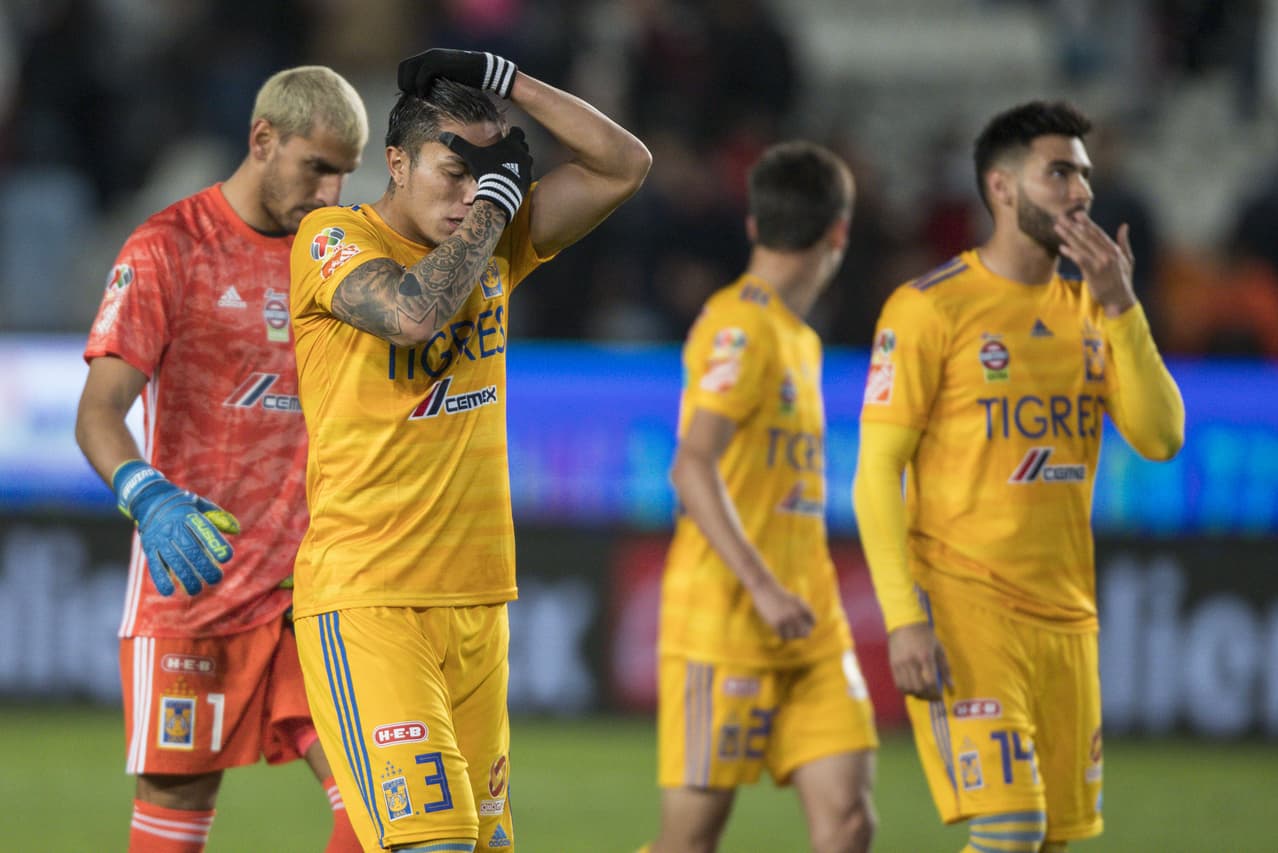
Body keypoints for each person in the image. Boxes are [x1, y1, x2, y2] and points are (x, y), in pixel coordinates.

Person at [287, 48, 651, 852]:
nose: (467, 194)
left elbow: (625, 164)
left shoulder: (496, 243)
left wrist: (507, 79)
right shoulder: (330, 238)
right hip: (370, 599)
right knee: (437, 844)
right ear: (396, 162)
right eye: (452, 171)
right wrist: (496, 198)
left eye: (487, 173)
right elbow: (416, 314)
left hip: (479, 602)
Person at [852, 101, 1185, 853]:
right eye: (1060, 171)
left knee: (1046, 844)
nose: (1081, 192)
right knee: (1011, 828)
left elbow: (1161, 437)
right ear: (1001, 187)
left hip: (1068, 620)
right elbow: (875, 472)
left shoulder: (1094, 311)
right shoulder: (930, 308)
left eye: (1085, 175)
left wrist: (1123, 305)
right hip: (966, 606)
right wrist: (903, 617)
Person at [75, 67, 369, 852]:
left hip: (317, 592)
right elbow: (99, 409)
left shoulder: (340, 256)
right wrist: (148, 494)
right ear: (262, 140)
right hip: (196, 577)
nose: (334, 191)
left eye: (346, 172)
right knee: (174, 819)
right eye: (318, 167)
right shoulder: (169, 246)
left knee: (379, 811)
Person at [649, 141, 877, 853]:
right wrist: (764, 586)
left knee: (846, 821)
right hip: (726, 619)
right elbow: (690, 467)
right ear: (839, 231)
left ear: (754, 226)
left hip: (810, 621)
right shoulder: (741, 326)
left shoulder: (797, 339)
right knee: (690, 840)